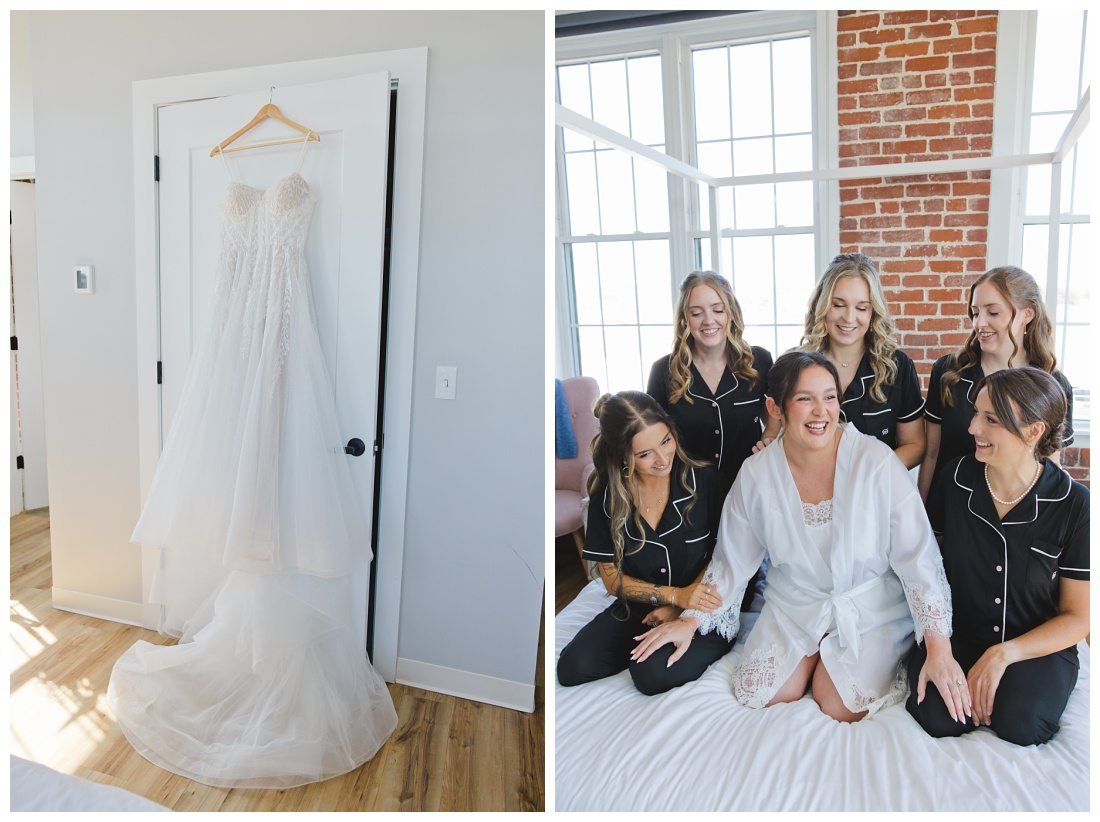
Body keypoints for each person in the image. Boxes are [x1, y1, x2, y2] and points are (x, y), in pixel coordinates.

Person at [633, 351, 968, 722]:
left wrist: (939, 646)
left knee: (840, 703)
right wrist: (690, 620)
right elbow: (732, 560)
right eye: (805, 399)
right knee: (762, 691)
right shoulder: (757, 474)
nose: (821, 411)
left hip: (870, 605)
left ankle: (839, 657)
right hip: (794, 604)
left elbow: (917, 556)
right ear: (775, 408)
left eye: (829, 397)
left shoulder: (875, 461)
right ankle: (810, 650)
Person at [907, 367, 1089, 745]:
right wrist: (939, 649)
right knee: (941, 717)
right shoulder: (954, 480)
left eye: (990, 419)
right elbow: (924, 570)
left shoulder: (1075, 506)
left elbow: (1079, 618)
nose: (973, 428)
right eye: (976, 413)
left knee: (1022, 724)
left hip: (1032, 643)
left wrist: (1003, 654)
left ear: (1033, 430)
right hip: (959, 634)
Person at [556, 391, 732, 695]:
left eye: (665, 441)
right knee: (572, 668)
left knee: (649, 676)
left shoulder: (704, 481)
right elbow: (611, 580)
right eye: (645, 454)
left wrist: (682, 608)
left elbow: (726, 556)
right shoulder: (606, 497)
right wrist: (671, 597)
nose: (663, 459)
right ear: (622, 456)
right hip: (643, 603)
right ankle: (649, 636)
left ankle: (663, 640)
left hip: (704, 601)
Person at [919, 266, 1074, 501]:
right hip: (951, 510)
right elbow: (931, 453)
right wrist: (920, 516)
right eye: (975, 312)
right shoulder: (948, 372)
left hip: (1018, 518)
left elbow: (1050, 464)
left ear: (1027, 315)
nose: (979, 323)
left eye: (992, 313)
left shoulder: (1054, 385)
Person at [647, 271, 780, 500]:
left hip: (749, 489)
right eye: (696, 313)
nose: (709, 320)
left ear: (731, 312)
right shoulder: (662, 371)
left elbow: (778, 411)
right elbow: (650, 437)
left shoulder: (760, 361)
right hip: (687, 495)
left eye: (718, 310)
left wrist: (768, 440)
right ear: (684, 319)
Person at [799, 252, 925, 468]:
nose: (849, 318)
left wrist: (870, 476)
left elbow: (914, 444)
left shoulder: (897, 366)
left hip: (876, 491)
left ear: (873, 312)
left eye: (861, 308)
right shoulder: (797, 365)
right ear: (822, 305)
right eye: (838, 305)